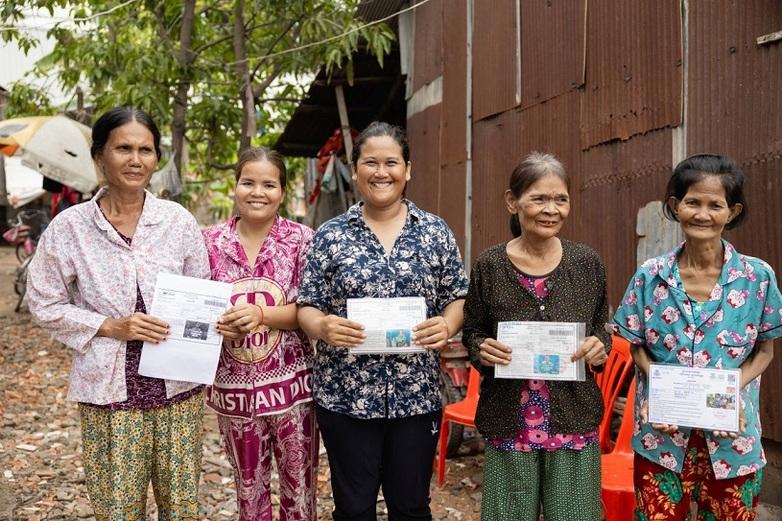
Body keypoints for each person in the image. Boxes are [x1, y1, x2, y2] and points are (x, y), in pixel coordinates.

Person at [26, 107, 209, 520]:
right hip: (109, 392)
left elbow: (203, 294)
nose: (135, 159)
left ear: (156, 159)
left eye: (146, 150)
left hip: (176, 388)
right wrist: (110, 325)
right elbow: (44, 300)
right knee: (118, 508)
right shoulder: (70, 227)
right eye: (123, 148)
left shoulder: (177, 221)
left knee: (181, 507)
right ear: (99, 156)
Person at [296, 121, 468, 521]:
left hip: (415, 396)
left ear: (407, 169)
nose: (381, 172)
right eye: (370, 162)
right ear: (355, 170)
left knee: (410, 507)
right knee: (354, 509)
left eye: (391, 162)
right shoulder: (330, 235)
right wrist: (321, 326)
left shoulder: (435, 233)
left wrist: (446, 325)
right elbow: (308, 304)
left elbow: (457, 296)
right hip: (345, 397)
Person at [612, 153, 782, 520]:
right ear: (675, 206)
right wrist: (656, 384)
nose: (702, 214)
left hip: (732, 437)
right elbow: (635, 343)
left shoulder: (758, 277)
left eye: (715, 205)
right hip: (662, 435)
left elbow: (764, 352)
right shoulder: (650, 275)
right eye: (692, 202)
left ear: (732, 212)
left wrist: (729, 389)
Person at [462, 152, 610, 521]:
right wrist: (482, 348)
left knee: (573, 516)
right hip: (509, 419)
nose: (551, 209)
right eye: (539, 199)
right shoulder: (490, 265)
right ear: (513, 202)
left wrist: (598, 347)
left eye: (560, 199)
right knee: (508, 515)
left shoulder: (587, 264)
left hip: (572, 417)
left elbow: (600, 328)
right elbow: (472, 331)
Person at [202, 147, 317, 520]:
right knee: (248, 492)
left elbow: (312, 311)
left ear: (282, 191)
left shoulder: (303, 240)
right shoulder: (208, 243)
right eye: (248, 182)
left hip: (294, 389)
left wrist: (262, 314)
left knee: (300, 492)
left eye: (269, 184)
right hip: (232, 389)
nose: (257, 192)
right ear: (234, 187)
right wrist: (217, 321)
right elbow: (195, 307)